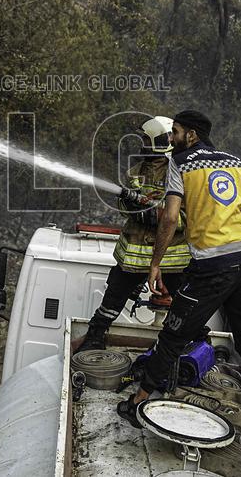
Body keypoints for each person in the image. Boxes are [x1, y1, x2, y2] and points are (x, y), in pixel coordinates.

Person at [115, 110, 241, 435]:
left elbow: (168, 218)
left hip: (210, 269)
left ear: (191, 135)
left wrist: (155, 263)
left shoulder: (181, 163)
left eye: (175, 132)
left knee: (173, 336)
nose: (171, 139)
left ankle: (139, 400)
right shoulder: (238, 163)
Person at [75, 116, 191, 352]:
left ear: (161, 141)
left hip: (171, 258)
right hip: (133, 256)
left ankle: (194, 344)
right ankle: (95, 336)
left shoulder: (182, 175)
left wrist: (159, 216)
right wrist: (140, 210)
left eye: (146, 140)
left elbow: (189, 217)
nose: (142, 145)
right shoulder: (134, 173)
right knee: (113, 298)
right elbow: (124, 207)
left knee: (185, 307)